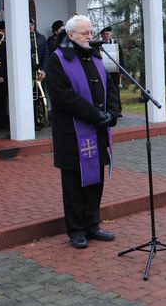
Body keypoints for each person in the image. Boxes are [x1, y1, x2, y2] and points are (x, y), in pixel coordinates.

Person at [47, 14, 119, 249]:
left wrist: (112, 113)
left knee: (95, 179)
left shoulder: (96, 55)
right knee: (74, 182)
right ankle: (76, 229)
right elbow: (63, 96)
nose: (91, 36)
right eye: (86, 33)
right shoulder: (58, 59)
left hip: (97, 129)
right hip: (72, 133)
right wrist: (95, 115)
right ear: (71, 35)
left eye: (91, 32)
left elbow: (110, 87)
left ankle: (92, 224)